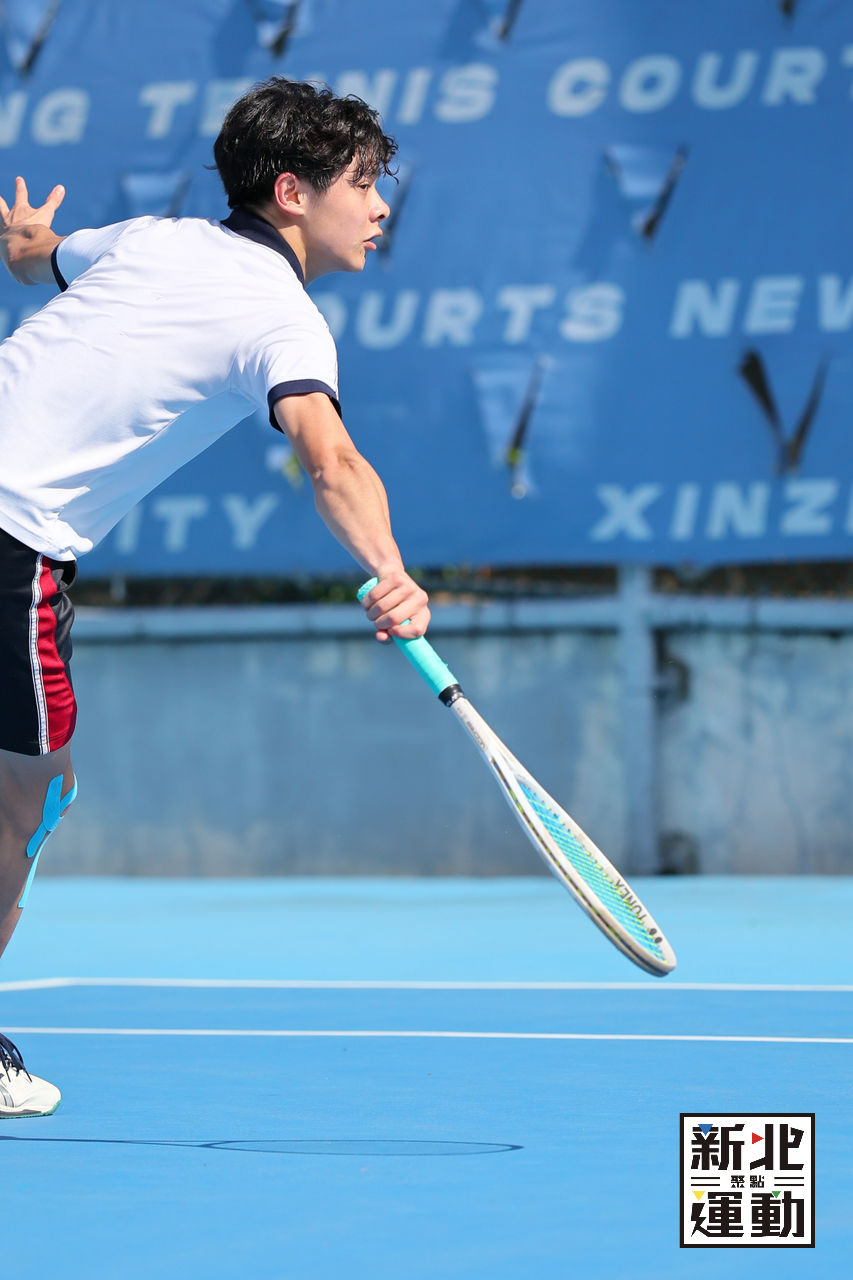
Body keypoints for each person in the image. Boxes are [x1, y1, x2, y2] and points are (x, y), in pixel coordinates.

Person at [0, 77, 430, 1116]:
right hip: (13, 539)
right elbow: (330, 459)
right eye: (362, 183)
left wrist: (25, 238)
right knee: (27, 794)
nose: (379, 206)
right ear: (292, 192)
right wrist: (392, 571)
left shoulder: (146, 240)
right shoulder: (282, 318)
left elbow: (36, 258)